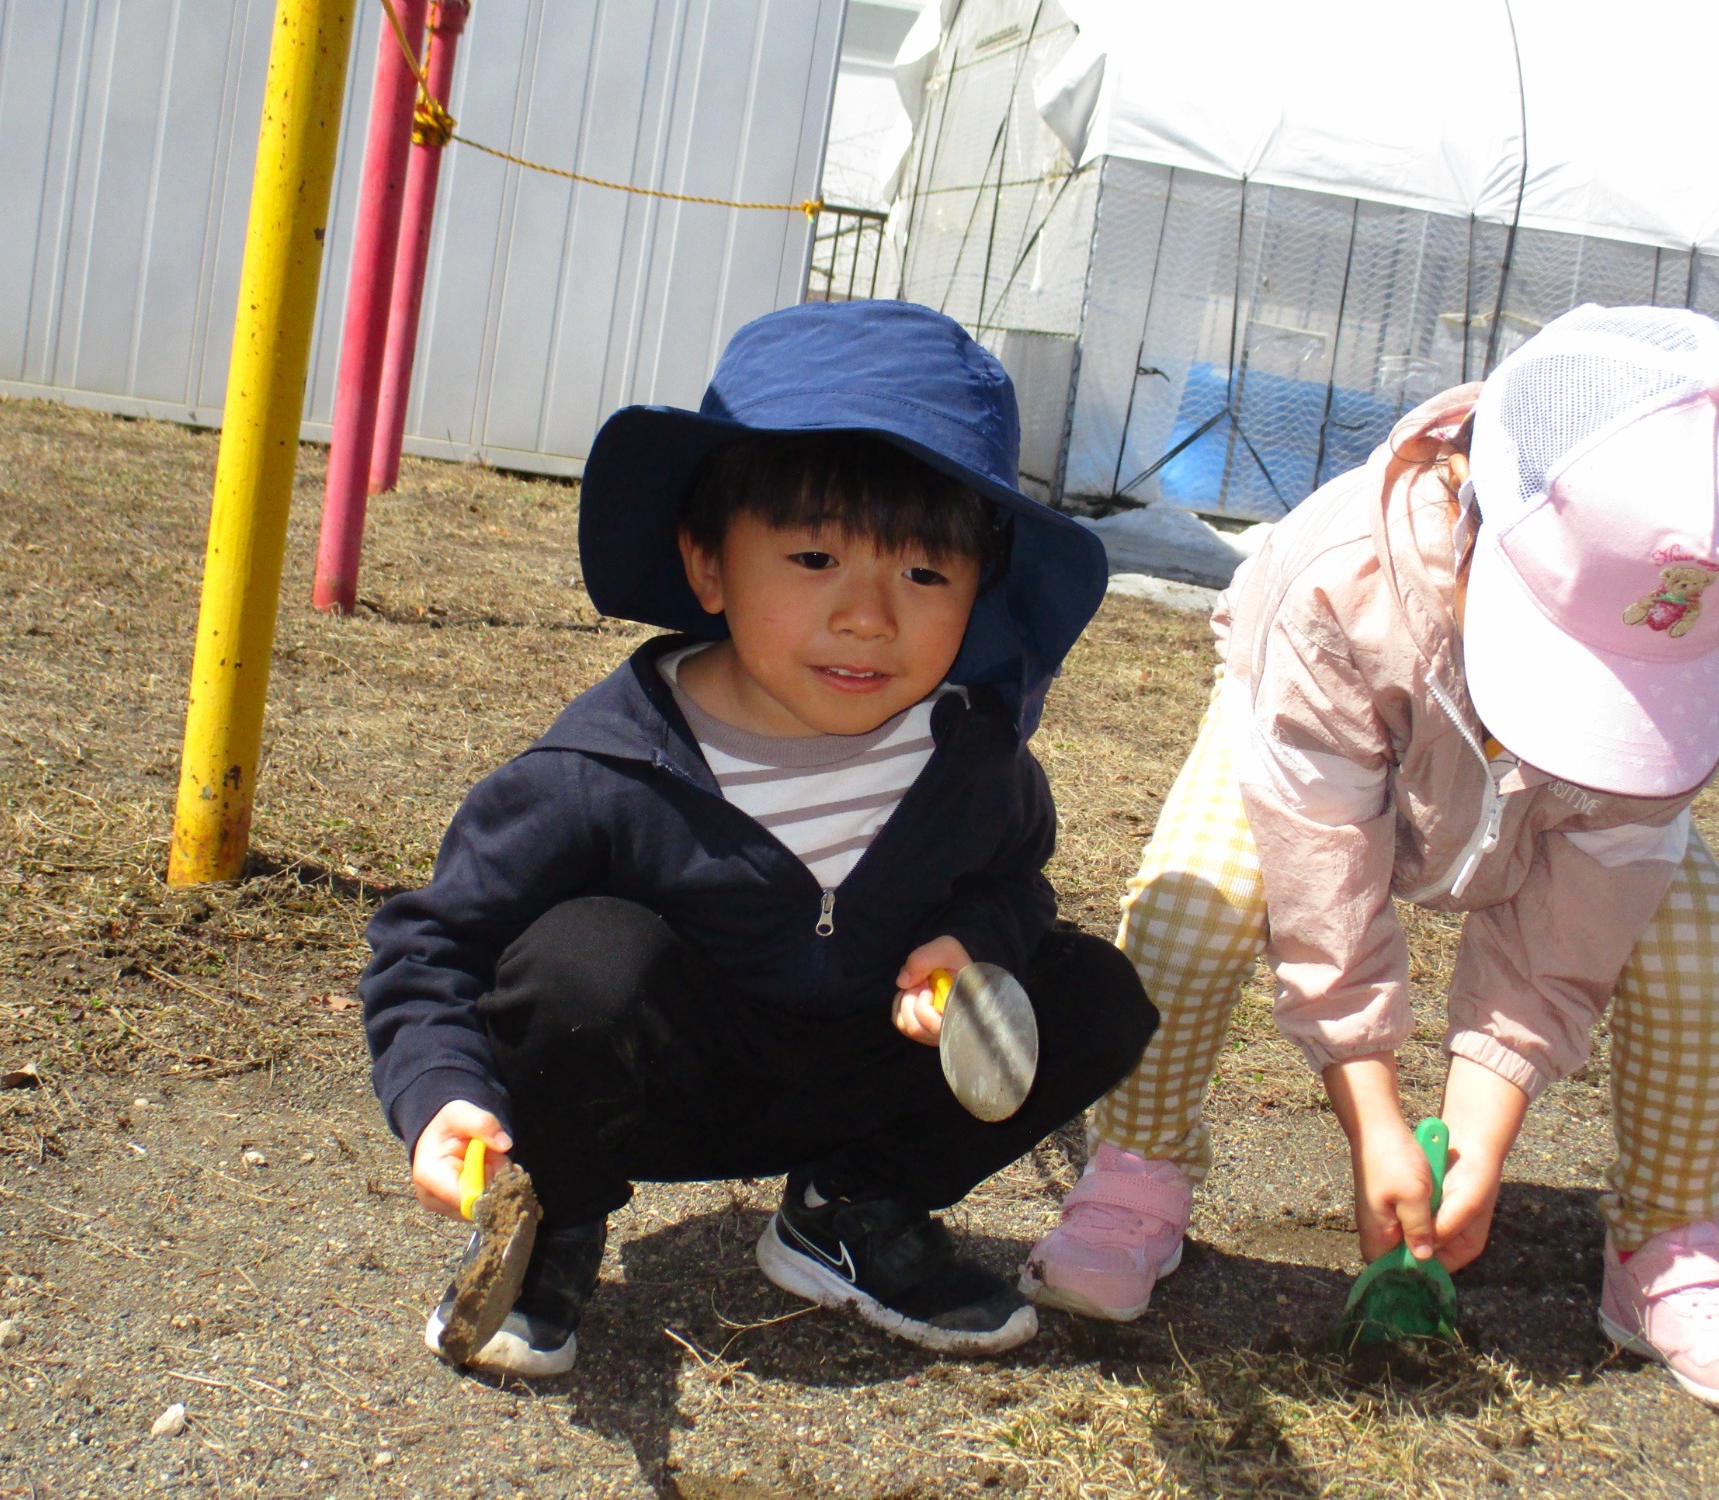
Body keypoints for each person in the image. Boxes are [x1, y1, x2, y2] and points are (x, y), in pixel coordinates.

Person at [1022, 305, 1719, 1414]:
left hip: (1549, 804)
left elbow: (1580, 916)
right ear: (1475, 500)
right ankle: (1135, 1175)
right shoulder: (1340, 583)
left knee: (1696, 952)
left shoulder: (1679, 664)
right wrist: (1374, 1117)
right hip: (1325, 749)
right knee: (1190, 911)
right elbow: (1321, 865)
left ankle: (1664, 1249)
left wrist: (1478, 1137)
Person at [361, 300, 1156, 1376]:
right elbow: (432, 945)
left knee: (1092, 994)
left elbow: (1014, 882)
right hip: (663, 1091)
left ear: (978, 590)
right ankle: (548, 1221)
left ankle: (852, 1208)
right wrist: (442, 1095)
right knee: (578, 965)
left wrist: (974, 941)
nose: (869, 616)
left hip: (862, 1075)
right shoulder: (599, 772)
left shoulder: (972, 763)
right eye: (814, 559)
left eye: (923, 575)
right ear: (708, 567)